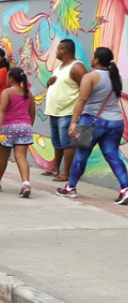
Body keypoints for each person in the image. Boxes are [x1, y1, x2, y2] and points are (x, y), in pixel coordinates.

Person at [57, 47, 128, 204]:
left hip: (91, 121)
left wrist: (73, 122)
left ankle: (71, 188)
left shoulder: (90, 77)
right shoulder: (117, 77)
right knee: (113, 155)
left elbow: (81, 100)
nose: (91, 58)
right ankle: (125, 189)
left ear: (96, 60)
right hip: (115, 122)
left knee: (81, 157)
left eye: (92, 56)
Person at [0, 68, 36, 197]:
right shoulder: (28, 93)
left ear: (11, 79)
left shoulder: (7, 92)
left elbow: (1, 110)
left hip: (8, 128)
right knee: (21, 157)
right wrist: (28, 126)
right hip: (25, 127)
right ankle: (26, 184)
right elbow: (32, 112)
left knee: (3, 157)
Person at [43, 39, 87, 182]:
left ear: (64, 50)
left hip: (68, 112)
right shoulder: (60, 67)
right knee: (57, 142)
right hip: (55, 111)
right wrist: (48, 83)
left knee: (67, 143)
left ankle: (66, 173)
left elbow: (86, 88)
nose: (56, 52)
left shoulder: (77, 67)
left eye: (58, 49)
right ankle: (55, 168)